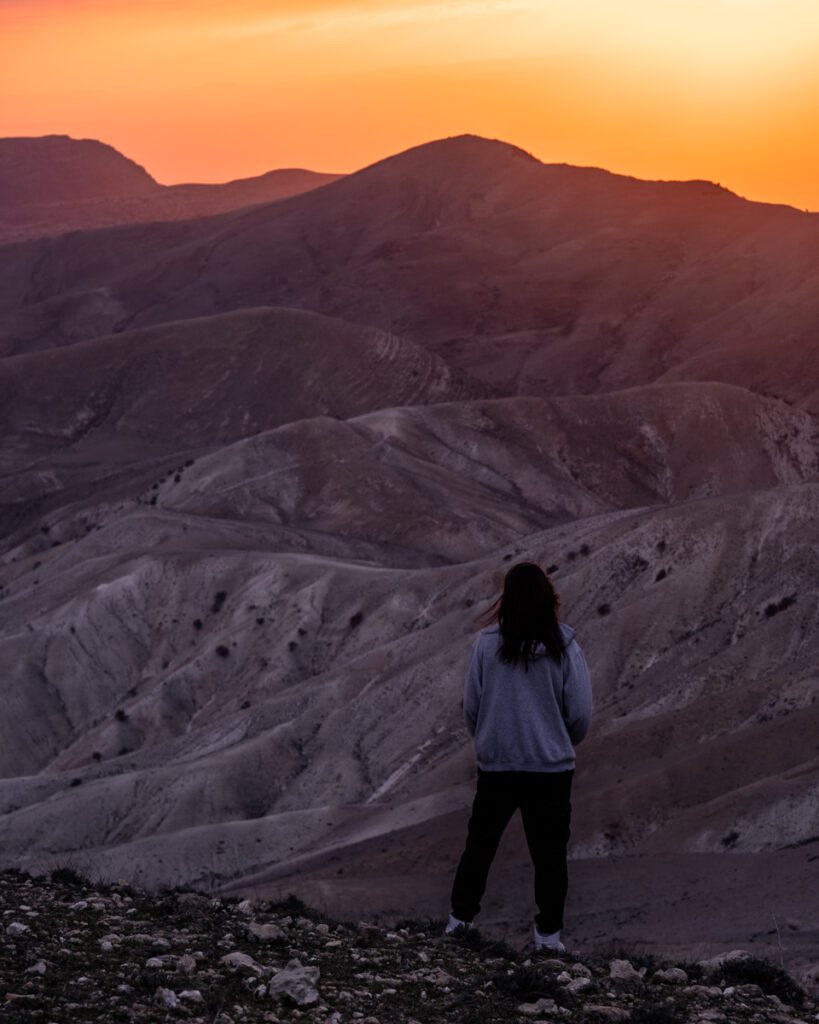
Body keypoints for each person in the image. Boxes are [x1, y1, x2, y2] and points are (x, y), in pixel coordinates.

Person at [445, 561, 593, 952]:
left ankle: (458, 923)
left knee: (480, 846)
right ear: (549, 597)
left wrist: (493, 739)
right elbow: (579, 712)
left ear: (505, 599)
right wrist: (557, 740)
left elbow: (471, 708)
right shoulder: (565, 646)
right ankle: (548, 938)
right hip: (550, 768)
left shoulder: (487, 644)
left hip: (498, 766)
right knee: (549, 856)